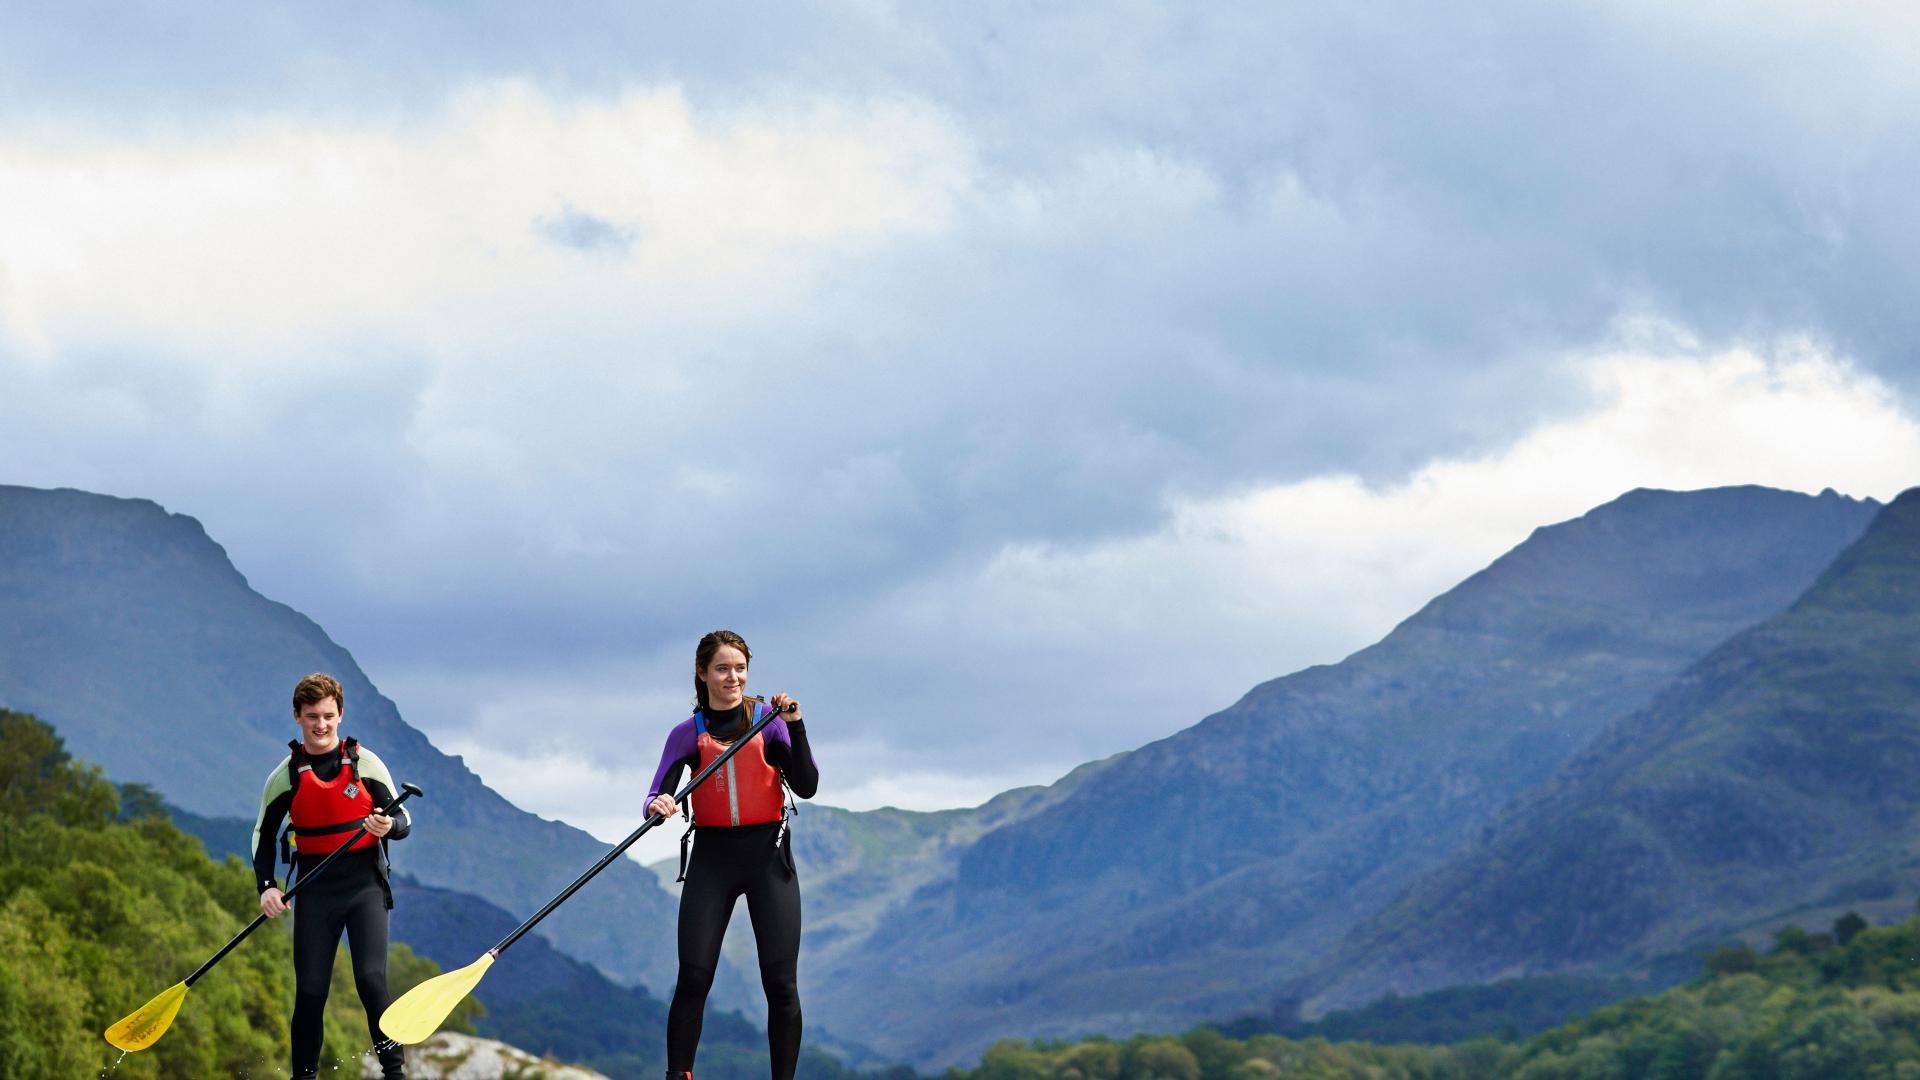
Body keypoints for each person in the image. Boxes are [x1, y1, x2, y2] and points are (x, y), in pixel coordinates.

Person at [647, 630, 819, 1080]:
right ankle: (678, 1076)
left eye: (740, 668)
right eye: (722, 668)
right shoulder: (687, 734)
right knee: (693, 980)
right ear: (702, 674)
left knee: (781, 985)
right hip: (712, 859)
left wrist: (796, 725)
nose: (733, 677)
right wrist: (659, 806)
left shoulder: (770, 721)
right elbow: (656, 793)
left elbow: (807, 784)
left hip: (768, 858)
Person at [250, 672, 413, 1080]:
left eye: (327, 716)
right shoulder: (284, 777)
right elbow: (263, 836)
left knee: (371, 980)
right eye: (311, 717)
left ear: (340, 715)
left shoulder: (366, 763)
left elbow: (403, 817)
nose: (320, 725)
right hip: (314, 891)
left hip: (364, 889)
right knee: (310, 992)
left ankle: (395, 1074)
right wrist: (267, 887)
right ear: (297, 717)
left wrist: (386, 827)